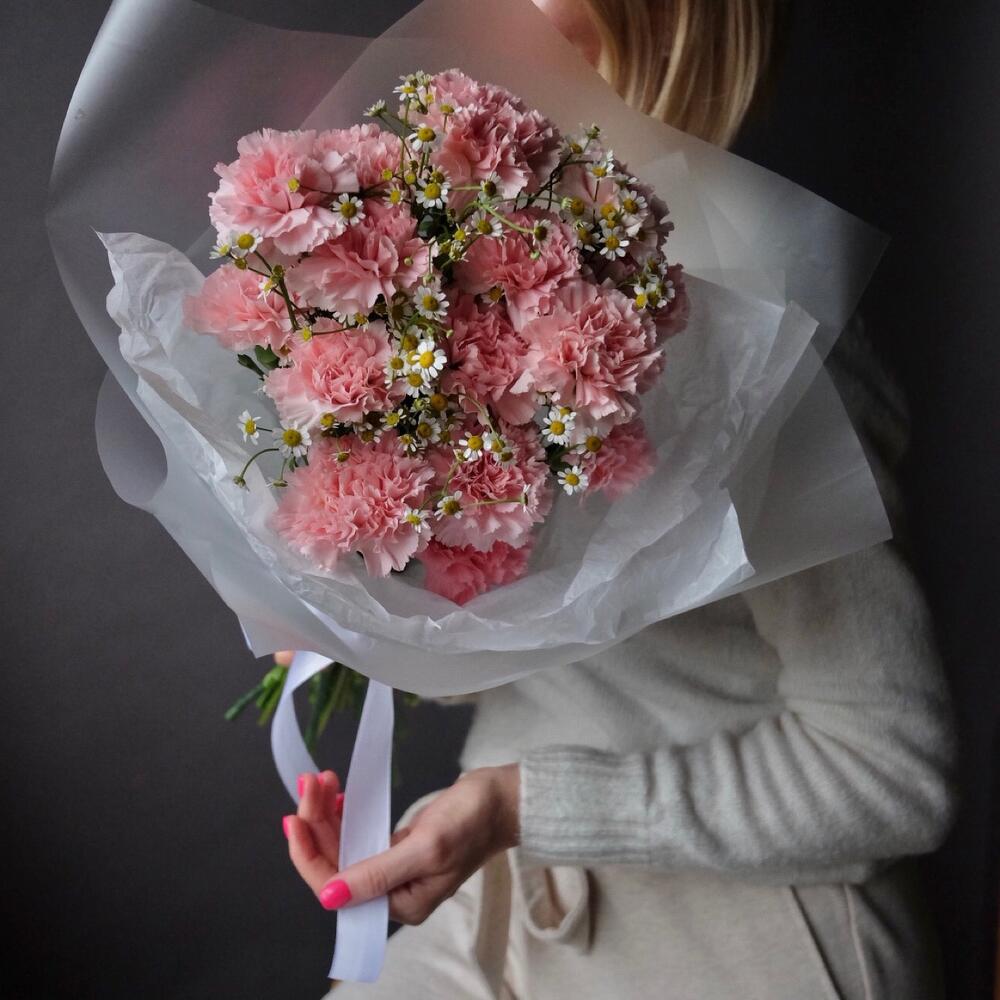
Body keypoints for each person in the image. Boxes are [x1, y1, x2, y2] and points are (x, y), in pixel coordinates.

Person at [282, 2, 957, 996]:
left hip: (751, 934)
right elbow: (551, 644)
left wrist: (521, 804)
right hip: (502, 883)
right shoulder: (458, 278)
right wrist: (354, 598)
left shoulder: (768, 341)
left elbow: (888, 775)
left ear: (668, 22)